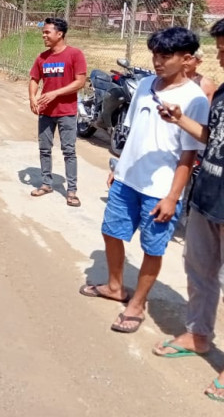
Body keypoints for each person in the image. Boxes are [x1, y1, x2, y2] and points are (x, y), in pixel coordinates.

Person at [80, 27, 209, 334]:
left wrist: (172, 196)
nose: (157, 62)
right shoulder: (146, 85)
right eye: (154, 55)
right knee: (111, 232)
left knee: (153, 248)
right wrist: (119, 167)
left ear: (187, 58)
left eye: (165, 56)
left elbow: (189, 156)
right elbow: (133, 129)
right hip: (127, 179)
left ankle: (136, 303)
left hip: (160, 189)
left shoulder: (194, 100)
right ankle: (115, 286)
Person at [150, 19, 224, 401]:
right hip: (209, 197)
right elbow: (213, 139)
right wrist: (180, 120)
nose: (220, 56)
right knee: (199, 272)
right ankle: (198, 334)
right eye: (221, 48)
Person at [28, 17, 88, 206]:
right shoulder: (42, 57)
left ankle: (71, 191)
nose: (43, 35)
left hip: (66, 112)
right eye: (43, 32)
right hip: (46, 112)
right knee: (44, 149)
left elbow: (80, 82)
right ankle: (46, 183)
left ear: (59, 34)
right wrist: (32, 97)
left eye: (47, 32)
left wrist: (54, 93)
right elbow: (34, 79)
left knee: (69, 151)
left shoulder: (75, 55)